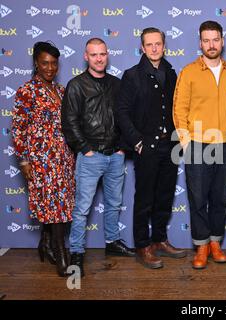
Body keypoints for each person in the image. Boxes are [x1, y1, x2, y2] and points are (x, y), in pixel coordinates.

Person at [62, 38, 135, 277]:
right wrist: (85, 149)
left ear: (107, 55)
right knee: (82, 209)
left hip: (115, 155)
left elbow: (126, 117)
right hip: (90, 156)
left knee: (114, 204)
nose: (99, 58)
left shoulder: (117, 84)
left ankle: (112, 243)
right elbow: (69, 122)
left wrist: (123, 148)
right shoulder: (76, 85)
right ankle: (77, 252)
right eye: (94, 55)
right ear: (86, 56)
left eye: (102, 54)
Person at [116, 27, 186, 269]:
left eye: (158, 44)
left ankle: (159, 239)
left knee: (165, 197)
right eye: (150, 44)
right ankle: (142, 245)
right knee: (145, 199)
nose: (154, 48)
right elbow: (122, 113)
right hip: (147, 148)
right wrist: (138, 142)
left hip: (170, 146)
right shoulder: (132, 75)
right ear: (142, 48)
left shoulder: (172, 73)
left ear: (164, 46)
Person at [173, 20, 226, 269]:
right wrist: (187, 142)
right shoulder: (188, 72)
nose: (211, 44)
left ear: (222, 40)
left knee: (220, 198)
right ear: (200, 43)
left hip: (225, 144)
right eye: (206, 40)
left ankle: (215, 243)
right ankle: (201, 245)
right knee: (198, 198)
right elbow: (179, 109)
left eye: (216, 39)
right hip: (198, 144)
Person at [11, 41, 75, 277]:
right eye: (44, 63)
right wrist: (24, 160)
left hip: (64, 157)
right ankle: (61, 255)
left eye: (53, 63)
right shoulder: (27, 91)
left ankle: (45, 243)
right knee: (55, 207)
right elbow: (18, 128)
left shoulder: (61, 91)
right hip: (41, 159)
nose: (50, 68)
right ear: (36, 64)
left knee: (56, 205)